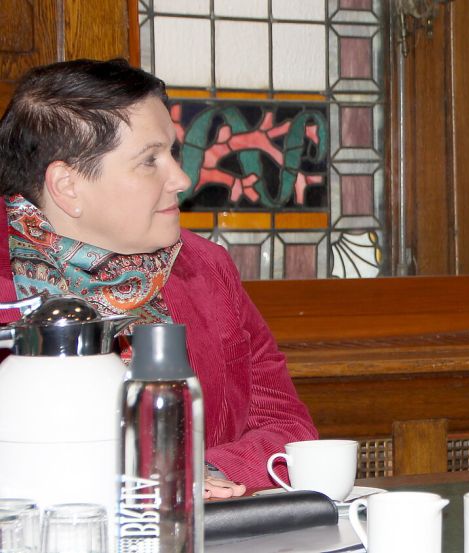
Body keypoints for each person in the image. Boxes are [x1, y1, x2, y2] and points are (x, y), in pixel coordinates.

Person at [0, 59, 319, 495]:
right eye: (150, 161)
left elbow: (287, 426)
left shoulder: (206, 269)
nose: (182, 178)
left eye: (171, 151)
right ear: (67, 186)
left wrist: (201, 473)